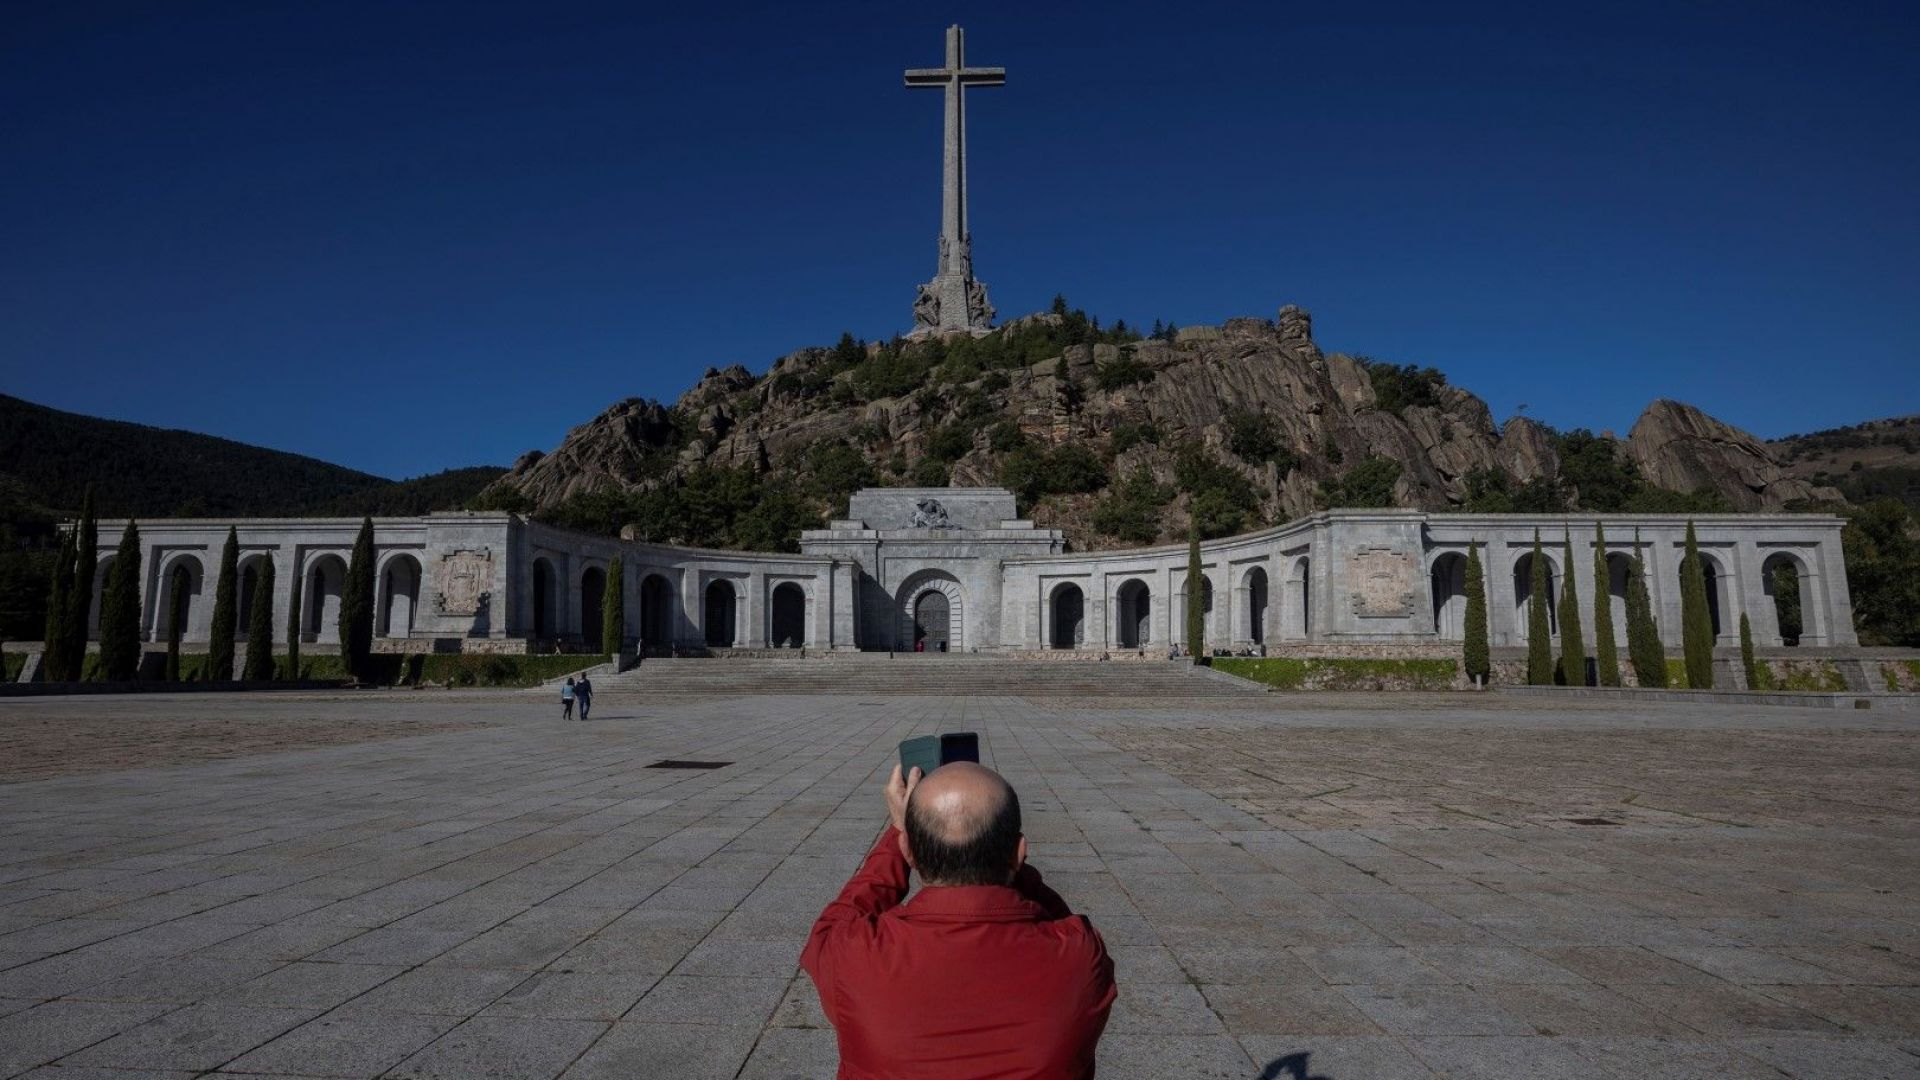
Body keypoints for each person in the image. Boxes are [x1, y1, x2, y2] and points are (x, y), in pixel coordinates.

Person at [801, 760, 1116, 1079]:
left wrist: (897, 835)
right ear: (1019, 852)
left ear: (908, 850)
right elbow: (1061, 922)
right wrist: (1005, 864)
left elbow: (833, 923)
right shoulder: (1081, 958)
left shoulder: (852, 955)